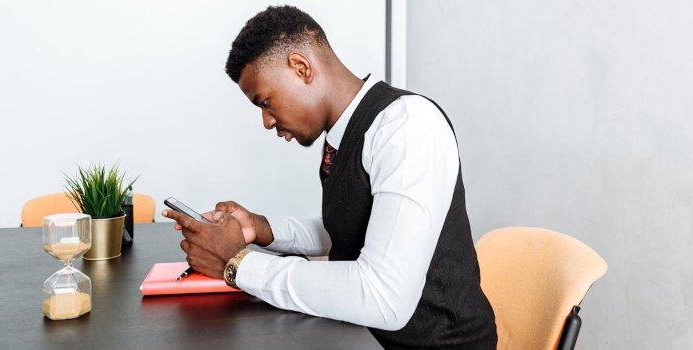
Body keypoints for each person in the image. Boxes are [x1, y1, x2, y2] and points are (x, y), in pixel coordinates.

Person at [162, 5, 497, 349]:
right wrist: (259, 229)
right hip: (366, 338)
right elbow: (355, 227)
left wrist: (238, 263)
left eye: (265, 102)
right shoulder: (345, 136)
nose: (266, 121)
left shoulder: (408, 127)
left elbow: (383, 297)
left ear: (301, 68)